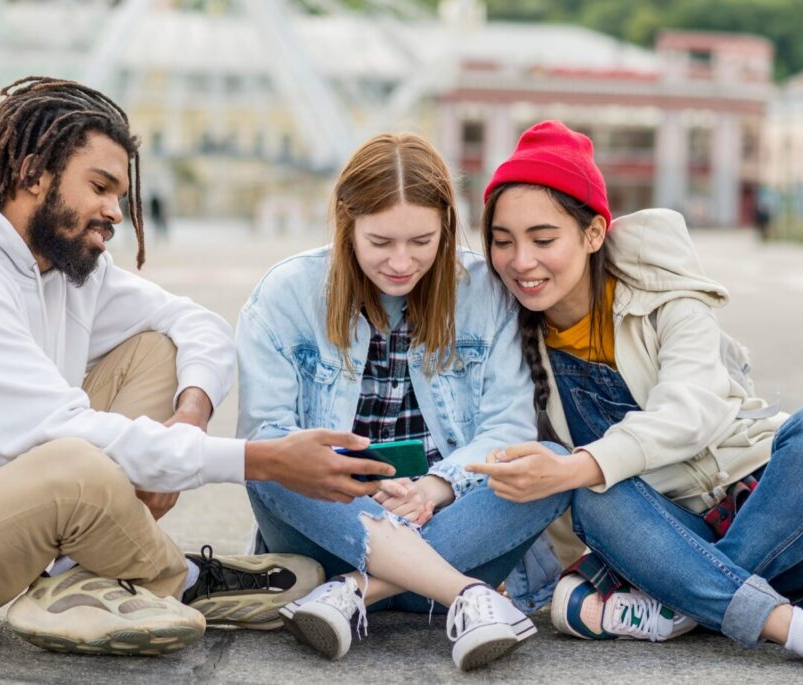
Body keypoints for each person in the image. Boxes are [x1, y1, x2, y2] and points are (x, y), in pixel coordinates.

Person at [0, 76, 397, 656]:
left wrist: (190, 416)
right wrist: (265, 460)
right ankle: (181, 580)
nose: (115, 213)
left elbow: (197, 325)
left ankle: (86, 578)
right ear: (32, 174)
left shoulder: (58, 264)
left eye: (121, 196)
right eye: (100, 187)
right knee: (75, 466)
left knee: (158, 349)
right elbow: (65, 433)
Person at [473, 120, 803, 674]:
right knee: (594, 495)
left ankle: (682, 608)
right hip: (666, 530)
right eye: (502, 241)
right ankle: (794, 628)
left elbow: (692, 407)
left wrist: (583, 464)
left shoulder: (667, 296)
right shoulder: (507, 339)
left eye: (542, 239)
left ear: (593, 234)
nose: (521, 261)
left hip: (778, 510)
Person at [236, 132, 571, 671]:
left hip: (451, 522)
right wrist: (359, 486)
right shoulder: (286, 295)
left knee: (553, 465)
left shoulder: (484, 291)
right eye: (380, 242)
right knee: (267, 462)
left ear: (446, 223)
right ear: (347, 223)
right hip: (334, 531)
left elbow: (508, 429)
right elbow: (268, 437)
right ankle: (464, 596)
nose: (401, 261)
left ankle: (354, 594)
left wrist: (438, 486)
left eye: (421, 241)